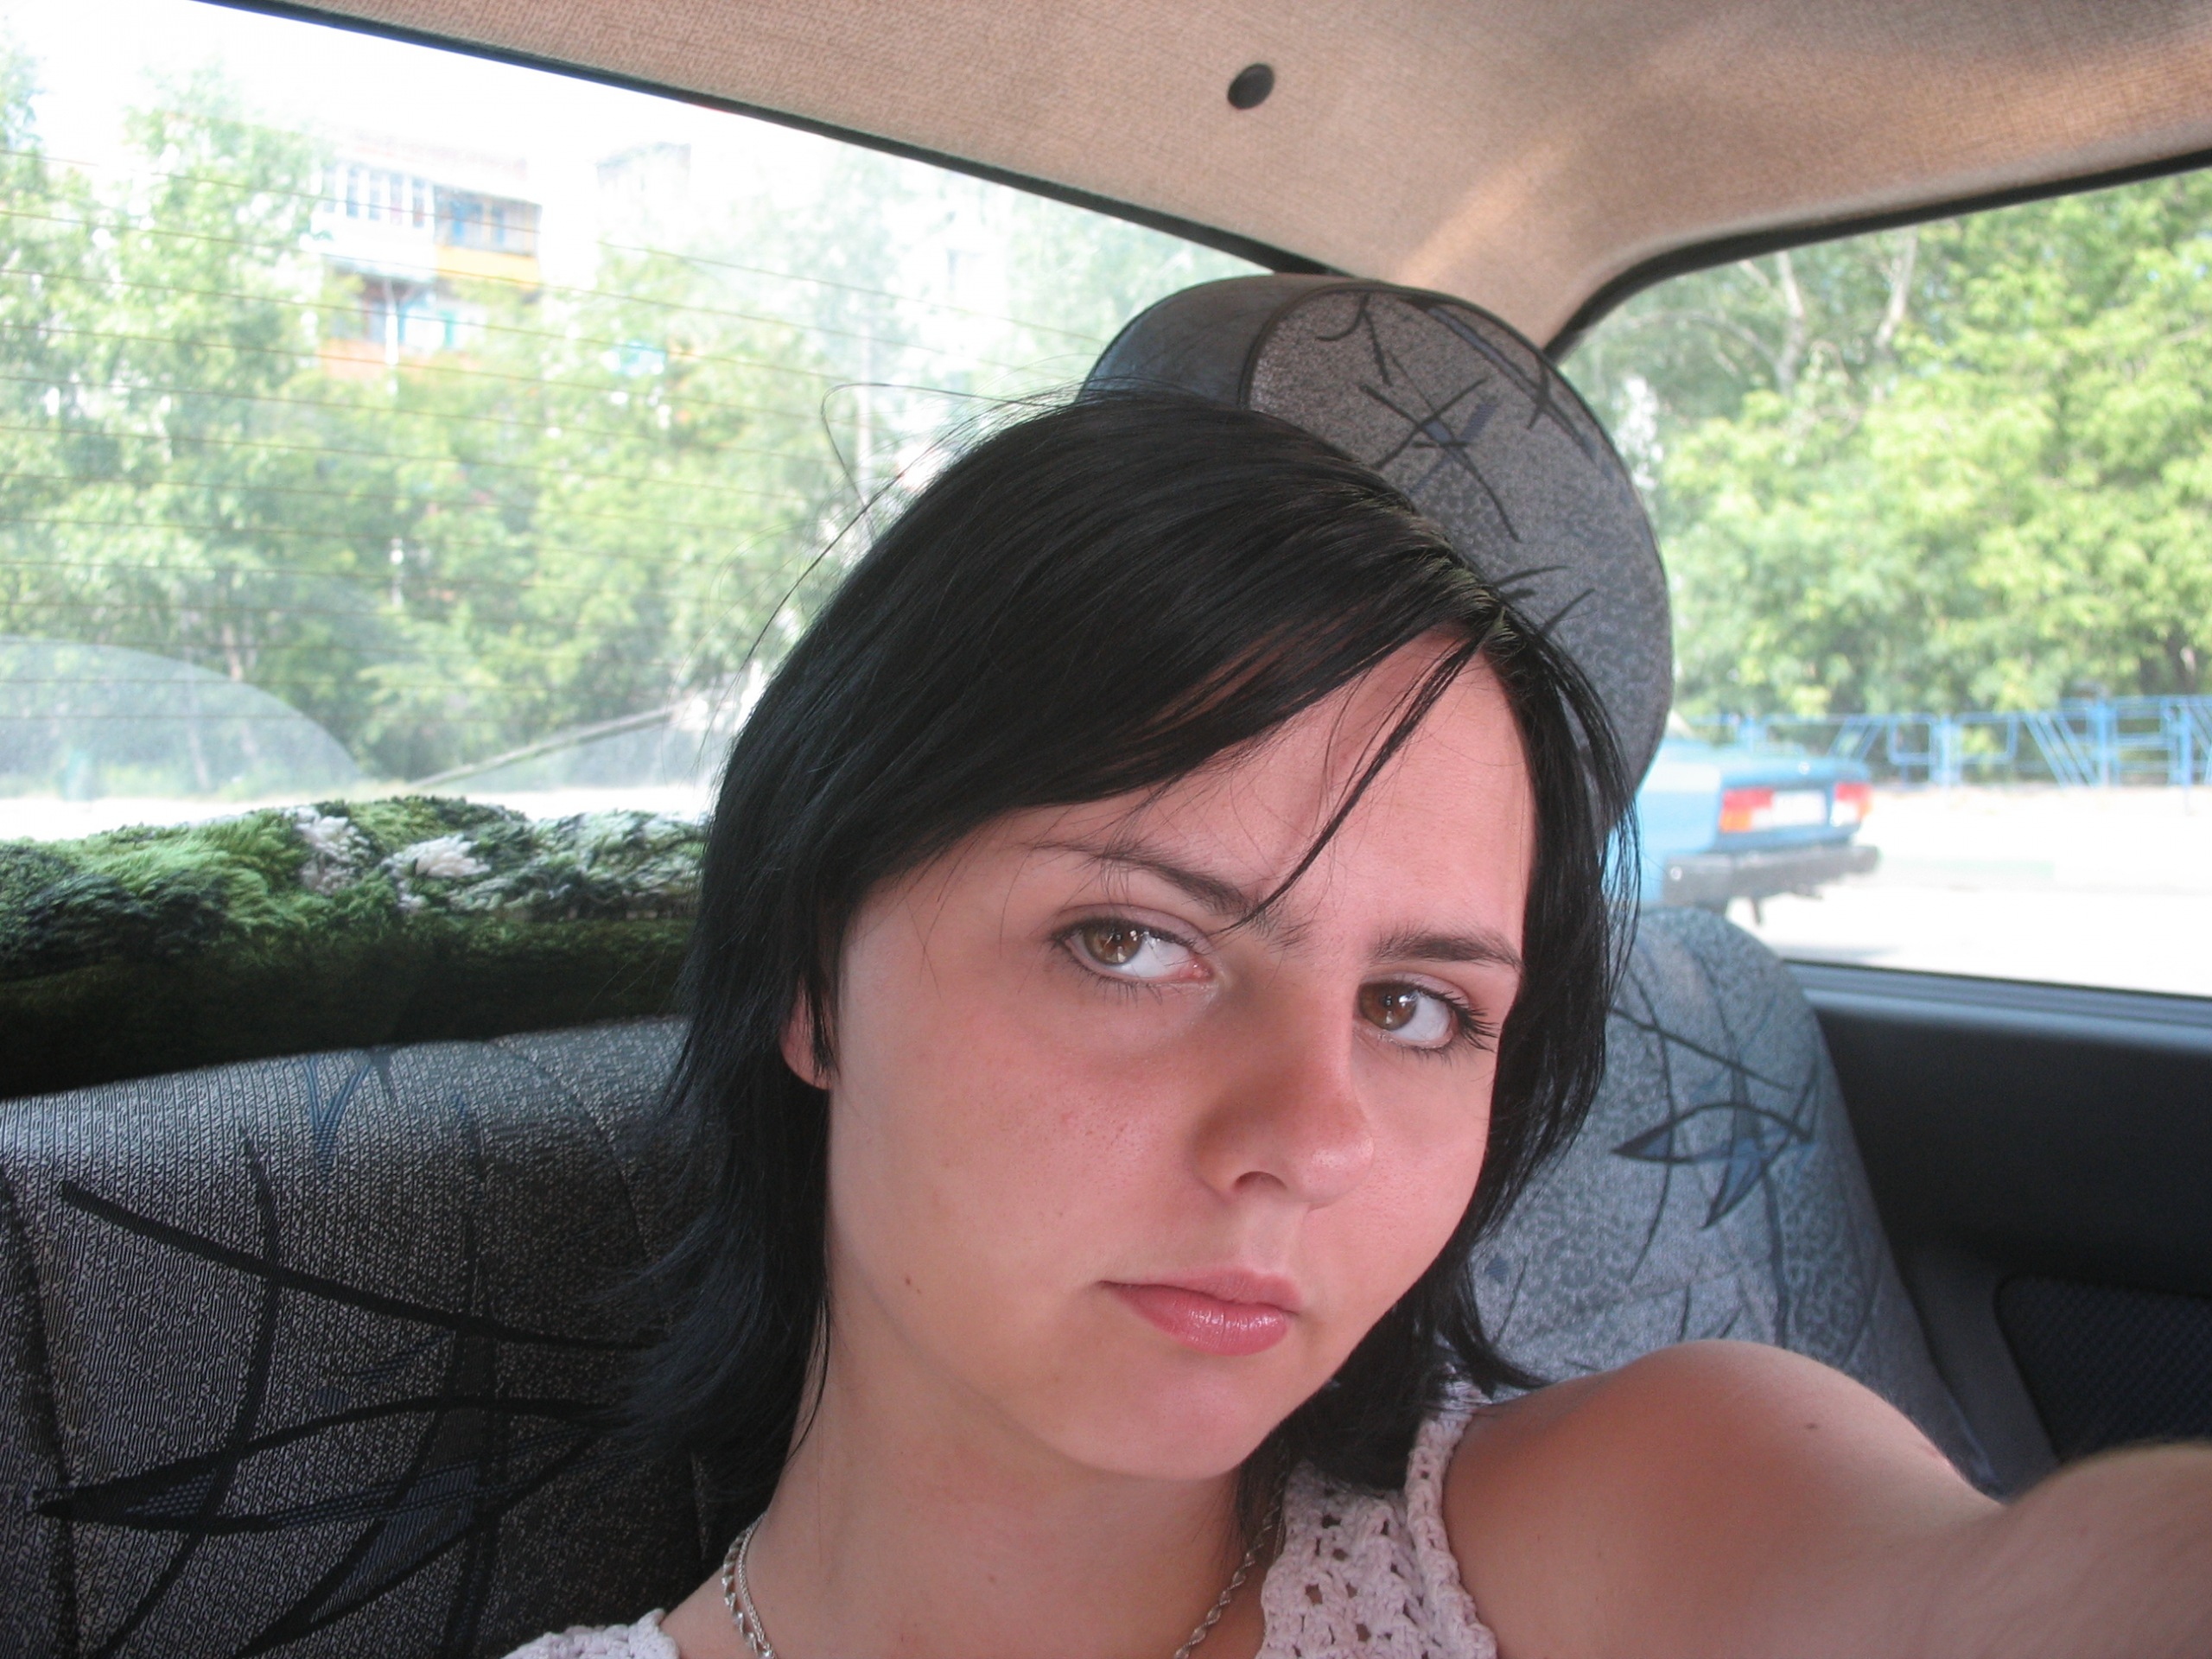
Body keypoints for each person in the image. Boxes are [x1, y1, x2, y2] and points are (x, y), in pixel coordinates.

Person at [512, 395, 2212, 1659]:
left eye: (1414, 1007)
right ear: (811, 979)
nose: (1313, 1139)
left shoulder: (1620, 1521)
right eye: (1128, 942)